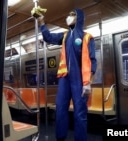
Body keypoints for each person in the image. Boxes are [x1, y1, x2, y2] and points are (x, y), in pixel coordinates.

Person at [32, 7, 97, 141]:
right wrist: (41, 22)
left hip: (80, 79)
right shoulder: (65, 35)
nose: (68, 17)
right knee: (60, 108)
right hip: (64, 78)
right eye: (69, 15)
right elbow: (48, 37)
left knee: (79, 112)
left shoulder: (87, 37)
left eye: (72, 15)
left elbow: (92, 60)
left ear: (78, 18)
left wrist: (88, 82)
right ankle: (60, 137)